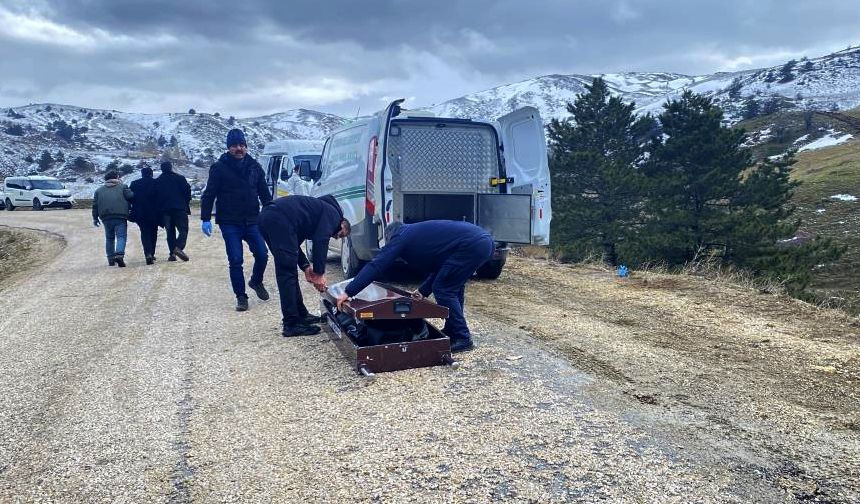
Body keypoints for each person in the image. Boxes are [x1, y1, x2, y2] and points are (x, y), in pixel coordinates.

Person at [336, 220, 493, 353]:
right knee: (452, 286)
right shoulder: (416, 234)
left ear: (391, 236)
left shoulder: (401, 236)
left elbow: (377, 265)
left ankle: (462, 337)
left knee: (444, 288)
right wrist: (422, 291)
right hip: (481, 242)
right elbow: (440, 269)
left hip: (473, 244)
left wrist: (349, 291)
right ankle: (454, 329)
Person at [200, 128, 272, 312]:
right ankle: (241, 296)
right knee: (235, 259)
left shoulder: (255, 167)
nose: (238, 148)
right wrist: (205, 218)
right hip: (229, 222)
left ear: (246, 146)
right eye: (234, 146)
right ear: (228, 148)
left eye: (241, 145)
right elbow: (209, 195)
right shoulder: (219, 168)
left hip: (252, 220)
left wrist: (272, 214)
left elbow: (264, 194)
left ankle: (256, 281)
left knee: (263, 254)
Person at [258, 195, 350, 336]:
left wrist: (306, 267)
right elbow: (321, 240)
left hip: (269, 218)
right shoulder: (333, 215)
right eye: (341, 234)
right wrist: (319, 273)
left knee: (288, 267)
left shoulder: (315, 214)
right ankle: (291, 324)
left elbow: (293, 246)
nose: (336, 237)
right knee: (286, 272)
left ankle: (301, 314)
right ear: (343, 224)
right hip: (278, 218)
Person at [92, 170, 134, 268]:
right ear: (117, 177)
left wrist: (95, 218)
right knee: (121, 236)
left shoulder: (99, 190)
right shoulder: (122, 187)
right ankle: (119, 254)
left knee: (109, 238)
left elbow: (95, 205)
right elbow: (131, 196)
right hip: (120, 216)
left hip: (106, 217)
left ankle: (111, 259)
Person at [155, 161, 192, 262]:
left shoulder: (157, 181)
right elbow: (188, 191)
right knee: (183, 230)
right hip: (179, 208)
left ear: (161, 169)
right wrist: (185, 202)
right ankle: (178, 248)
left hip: (165, 210)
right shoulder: (180, 178)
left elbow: (155, 197)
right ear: (171, 168)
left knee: (170, 232)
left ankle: (172, 254)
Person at [129, 166, 160, 265]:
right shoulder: (156, 183)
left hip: (140, 212)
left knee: (144, 232)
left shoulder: (134, 184)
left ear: (142, 174)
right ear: (151, 174)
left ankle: (148, 254)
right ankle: (152, 253)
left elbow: (131, 198)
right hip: (154, 212)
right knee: (154, 232)